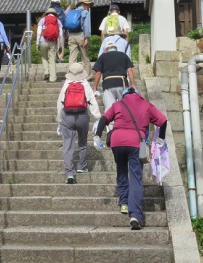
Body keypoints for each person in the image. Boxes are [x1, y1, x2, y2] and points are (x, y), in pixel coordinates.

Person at [93, 87, 167, 230]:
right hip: (135, 143)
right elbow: (163, 121)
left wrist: (97, 136)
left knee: (121, 171)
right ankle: (135, 215)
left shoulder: (118, 104)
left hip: (117, 142)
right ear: (138, 95)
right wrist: (161, 138)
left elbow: (104, 119)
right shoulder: (146, 105)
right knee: (135, 177)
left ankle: (124, 203)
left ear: (125, 95)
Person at [57, 63, 101, 182]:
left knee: (67, 145)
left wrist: (59, 119)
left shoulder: (66, 84)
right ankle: (82, 165)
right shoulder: (85, 84)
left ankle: (70, 173)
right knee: (82, 141)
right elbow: (91, 101)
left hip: (68, 117)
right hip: (82, 116)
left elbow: (60, 102)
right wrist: (98, 116)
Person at [92, 41, 136, 114]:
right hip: (122, 83)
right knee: (124, 107)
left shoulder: (102, 57)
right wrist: (133, 84)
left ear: (106, 49)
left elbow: (98, 73)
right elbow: (129, 70)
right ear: (116, 48)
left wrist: (95, 88)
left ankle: (111, 125)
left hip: (108, 84)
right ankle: (124, 124)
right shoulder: (123, 55)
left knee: (109, 109)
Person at [66, 0, 92, 77]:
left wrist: (68, 35)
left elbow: (67, 24)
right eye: (88, 4)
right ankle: (87, 76)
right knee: (85, 56)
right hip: (81, 35)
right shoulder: (85, 12)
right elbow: (86, 26)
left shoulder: (71, 12)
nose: (89, 6)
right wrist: (86, 37)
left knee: (72, 57)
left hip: (71, 35)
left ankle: (70, 75)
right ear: (84, 4)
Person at [36, 8, 63, 82]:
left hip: (43, 41)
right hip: (53, 42)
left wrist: (37, 43)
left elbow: (38, 32)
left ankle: (46, 72)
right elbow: (60, 34)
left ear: (47, 13)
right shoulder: (58, 20)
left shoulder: (43, 20)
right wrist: (60, 44)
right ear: (55, 14)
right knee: (52, 60)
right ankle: (53, 78)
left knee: (44, 57)